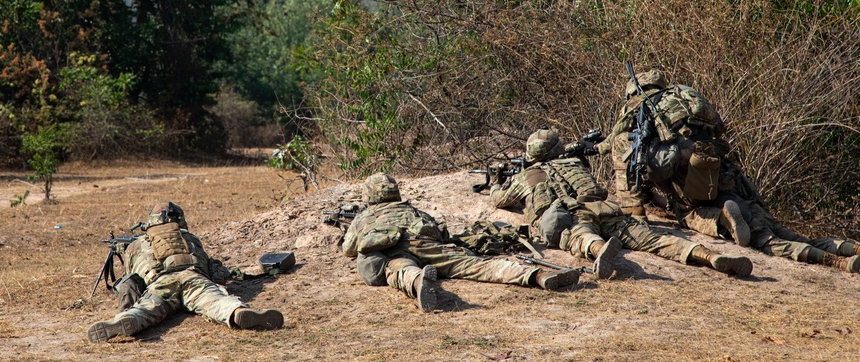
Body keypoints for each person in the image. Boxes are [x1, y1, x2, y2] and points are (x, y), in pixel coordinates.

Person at [598, 67, 860, 273]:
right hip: (722, 173)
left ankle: (837, 263)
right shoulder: (685, 95)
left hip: (690, 189)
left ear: (634, 90)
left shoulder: (638, 107)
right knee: (779, 229)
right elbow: (721, 131)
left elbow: (616, 144)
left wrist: (593, 149)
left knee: (761, 239)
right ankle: (850, 248)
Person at [489, 129, 753, 279]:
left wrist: (493, 183)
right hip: (605, 208)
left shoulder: (526, 177)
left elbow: (500, 199)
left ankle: (600, 249)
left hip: (571, 214)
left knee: (579, 237)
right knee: (653, 239)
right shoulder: (573, 162)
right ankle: (709, 255)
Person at [342, 173, 580, 313]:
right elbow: (439, 233)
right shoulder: (411, 209)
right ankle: (536, 275)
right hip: (429, 245)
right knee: (479, 266)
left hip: (394, 251)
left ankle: (417, 281)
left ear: (369, 197)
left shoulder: (365, 216)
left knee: (401, 269)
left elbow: (349, 249)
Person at [87, 201, 284, 342]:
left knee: (146, 310)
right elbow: (215, 273)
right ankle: (236, 311)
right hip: (194, 278)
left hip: (162, 283)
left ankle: (127, 320)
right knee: (216, 301)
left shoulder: (138, 244)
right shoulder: (190, 238)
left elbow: (131, 280)